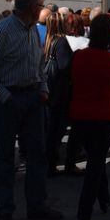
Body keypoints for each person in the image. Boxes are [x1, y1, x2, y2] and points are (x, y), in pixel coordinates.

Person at [0, 0, 62, 220]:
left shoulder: (33, 30)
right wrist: (5, 96)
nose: (43, 9)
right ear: (29, 7)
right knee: (5, 157)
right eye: (40, 5)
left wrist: (42, 87)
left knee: (37, 153)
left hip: (33, 97)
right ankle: (5, 210)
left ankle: (37, 205)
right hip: (9, 100)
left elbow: (39, 62)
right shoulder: (3, 32)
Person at [69, 14, 110, 220]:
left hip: (79, 115)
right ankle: (84, 214)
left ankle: (105, 198)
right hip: (103, 116)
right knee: (95, 164)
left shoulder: (79, 57)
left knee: (95, 158)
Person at [43, 13, 74, 176]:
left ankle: (49, 159)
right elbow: (64, 66)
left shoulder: (48, 40)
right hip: (60, 90)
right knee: (57, 127)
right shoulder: (62, 42)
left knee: (51, 127)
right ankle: (51, 161)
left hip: (50, 87)